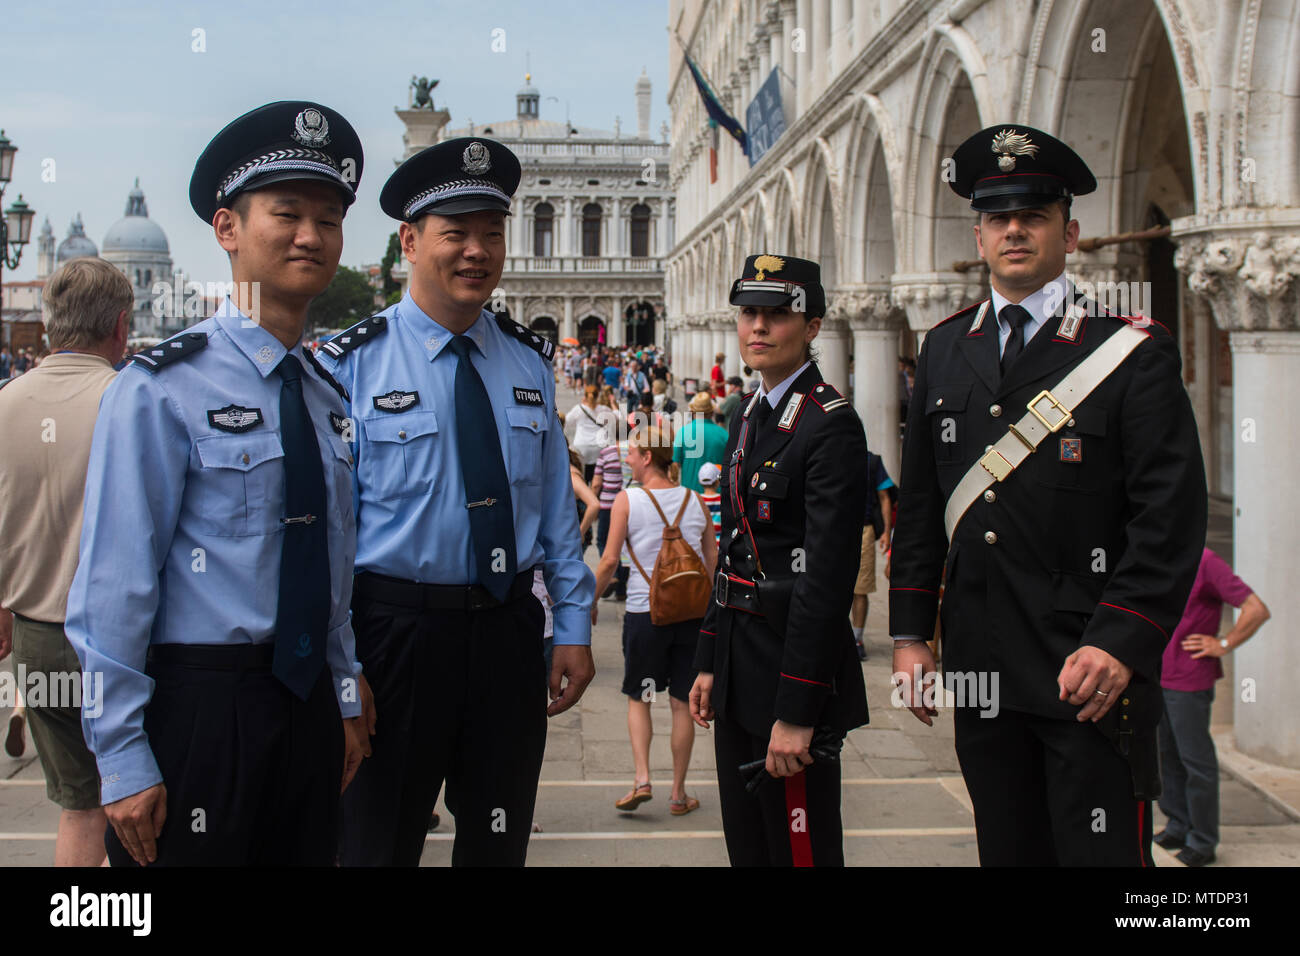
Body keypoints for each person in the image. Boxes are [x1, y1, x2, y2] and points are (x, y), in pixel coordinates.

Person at [889, 125, 1208, 867]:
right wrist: (909, 635)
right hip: (983, 666)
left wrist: (1121, 638)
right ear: (979, 233)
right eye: (998, 218)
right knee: (1008, 852)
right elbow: (921, 509)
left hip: (1087, 671)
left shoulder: (1128, 348)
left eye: (1032, 216)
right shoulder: (944, 348)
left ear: (1069, 232)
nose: (1014, 231)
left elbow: (1169, 514)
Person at [64, 101, 370, 866]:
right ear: (228, 229)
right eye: (288, 213)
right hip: (201, 710)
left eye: (329, 219)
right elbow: (113, 586)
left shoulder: (326, 393)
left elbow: (329, 570)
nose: (311, 235)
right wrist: (123, 756)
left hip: (304, 710)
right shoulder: (161, 389)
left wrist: (343, 688)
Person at [321, 136, 596, 867]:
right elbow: (325, 537)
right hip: (393, 636)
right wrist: (341, 668)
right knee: (375, 843)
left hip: (508, 635)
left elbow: (558, 523)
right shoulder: (348, 366)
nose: (478, 251)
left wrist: (571, 626)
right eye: (456, 233)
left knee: (497, 844)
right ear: (411, 242)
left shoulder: (527, 363)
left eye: (492, 233)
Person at [689, 254, 870, 867]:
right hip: (740, 664)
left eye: (777, 314)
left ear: (813, 325)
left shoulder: (829, 425)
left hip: (793, 671)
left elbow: (825, 582)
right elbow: (732, 548)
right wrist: (710, 658)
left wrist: (797, 711)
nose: (759, 327)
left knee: (799, 850)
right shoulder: (748, 413)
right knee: (749, 845)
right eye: (749, 313)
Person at [0, 257, 133, 865]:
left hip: (35, 636)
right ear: (122, 327)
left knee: (78, 807)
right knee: (138, 800)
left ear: (51, 322)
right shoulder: (129, 401)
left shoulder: (8, 401)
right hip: (120, 643)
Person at [593, 429, 716, 816]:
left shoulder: (627, 500)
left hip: (646, 615)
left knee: (641, 698)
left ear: (647, 456)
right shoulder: (695, 499)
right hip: (693, 617)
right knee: (683, 704)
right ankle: (679, 794)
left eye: (630, 453)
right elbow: (712, 566)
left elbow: (610, 561)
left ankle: (643, 778)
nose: (627, 459)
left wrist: (586, 603)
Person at [1155, 548, 1269, 867]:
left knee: (1196, 762)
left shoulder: (1205, 561)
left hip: (1189, 679)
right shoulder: (1160, 556)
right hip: (1156, 675)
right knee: (1166, 758)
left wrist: (1223, 644)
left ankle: (1203, 840)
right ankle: (1178, 825)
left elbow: (1256, 609)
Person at [851, 451, 895, 661]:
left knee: (861, 588)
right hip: (831, 528)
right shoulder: (829, 453)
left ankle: (857, 639)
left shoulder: (872, 461)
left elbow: (885, 497)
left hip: (864, 530)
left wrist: (887, 531)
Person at [592, 437, 628, 601]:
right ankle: (621, 588)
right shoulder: (633, 451)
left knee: (603, 540)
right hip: (626, 502)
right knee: (624, 544)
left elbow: (596, 483)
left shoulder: (606, 453)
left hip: (607, 504)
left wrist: (592, 501)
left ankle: (612, 575)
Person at [672, 391, 729, 494]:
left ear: (692, 412)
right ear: (712, 412)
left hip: (690, 495)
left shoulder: (683, 432)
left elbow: (675, 465)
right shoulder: (724, 434)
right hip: (718, 496)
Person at [564, 384, 617, 484]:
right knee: (596, 475)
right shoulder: (604, 409)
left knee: (581, 476)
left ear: (585, 396)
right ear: (597, 396)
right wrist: (613, 404)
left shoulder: (579, 408)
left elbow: (566, 421)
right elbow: (617, 418)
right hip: (598, 446)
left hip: (581, 446)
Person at [698, 462, 723, 547]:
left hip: (702, 544)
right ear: (717, 481)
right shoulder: (722, 499)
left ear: (700, 481)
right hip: (719, 544)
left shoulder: (697, 500)